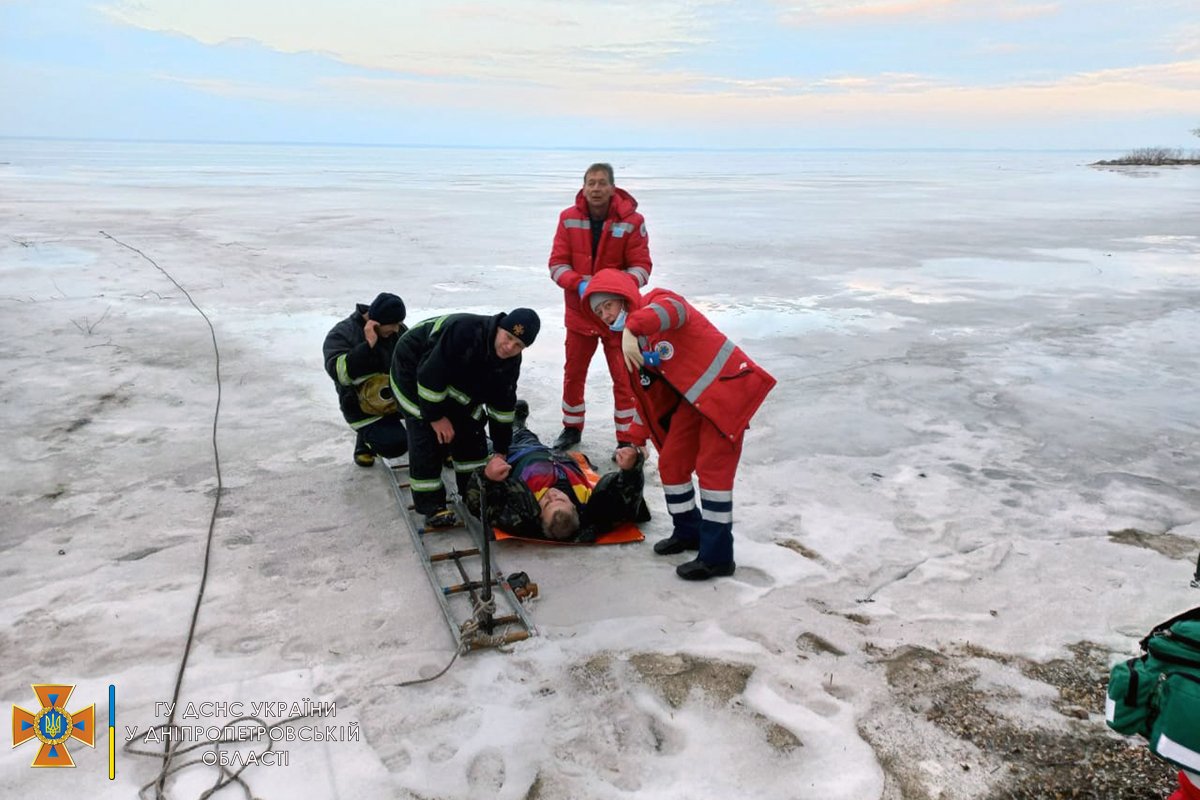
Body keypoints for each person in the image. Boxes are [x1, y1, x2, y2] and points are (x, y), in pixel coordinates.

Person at [582, 271, 776, 581]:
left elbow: (674, 311)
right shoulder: (632, 346)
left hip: (725, 395)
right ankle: (688, 531)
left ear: (625, 298)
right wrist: (633, 441)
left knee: (713, 472)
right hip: (694, 403)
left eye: (608, 305)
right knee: (672, 464)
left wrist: (632, 328)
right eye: (599, 311)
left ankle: (717, 557)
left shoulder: (658, 301)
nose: (605, 315)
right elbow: (646, 400)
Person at [389, 308, 539, 529]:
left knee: (471, 430)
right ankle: (432, 506)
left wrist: (500, 449)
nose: (509, 347)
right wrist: (436, 418)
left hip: (455, 383)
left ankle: (470, 489)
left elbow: (503, 406)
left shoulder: (510, 361)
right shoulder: (464, 332)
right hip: (412, 370)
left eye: (518, 345)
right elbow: (430, 377)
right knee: (426, 435)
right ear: (499, 328)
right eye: (508, 337)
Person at [547, 162, 652, 454]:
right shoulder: (568, 218)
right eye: (591, 183)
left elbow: (642, 268)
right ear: (583, 187)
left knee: (624, 377)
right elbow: (556, 264)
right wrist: (579, 283)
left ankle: (626, 437)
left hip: (618, 318)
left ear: (612, 187)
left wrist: (615, 288)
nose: (596, 188)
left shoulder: (632, 222)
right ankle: (571, 427)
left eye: (602, 183)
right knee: (574, 373)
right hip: (579, 314)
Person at [465, 400, 650, 542]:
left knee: (473, 440)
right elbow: (628, 499)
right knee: (522, 434)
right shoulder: (593, 512)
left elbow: (477, 503)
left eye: (546, 503)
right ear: (575, 507)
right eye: (561, 499)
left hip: (512, 457)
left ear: (539, 516)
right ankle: (517, 425)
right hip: (546, 452)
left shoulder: (519, 516)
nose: (552, 495)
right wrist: (632, 468)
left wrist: (486, 476)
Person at [322, 292, 409, 467]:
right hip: (361, 406)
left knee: (436, 412)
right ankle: (365, 441)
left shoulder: (398, 331)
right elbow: (340, 375)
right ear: (375, 321)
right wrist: (368, 345)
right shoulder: (342, 334)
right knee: (395, 444)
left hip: (394, 399)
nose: (396, 329)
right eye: (392, 325)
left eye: (398, 324)